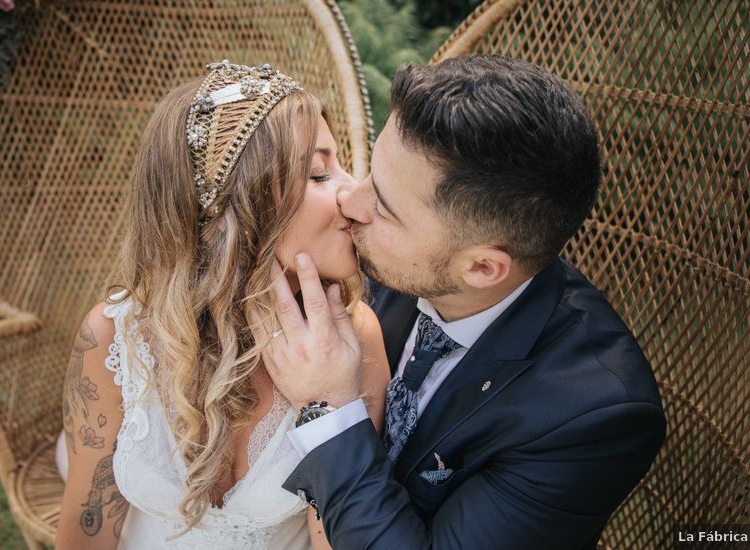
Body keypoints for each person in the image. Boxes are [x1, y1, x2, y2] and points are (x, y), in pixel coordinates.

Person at [262, 55, 667, 549]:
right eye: (370, 171)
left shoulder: (593, 417)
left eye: (384, 208)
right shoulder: (384, 258)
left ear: (480, 268)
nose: (351, 202)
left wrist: (329, 411)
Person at [54, 61, 390, 550]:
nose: (356, 195)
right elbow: (84, 536)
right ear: (233, 214)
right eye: (319, 174)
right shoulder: (113, 337)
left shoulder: (354, 337)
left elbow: (336, 535)